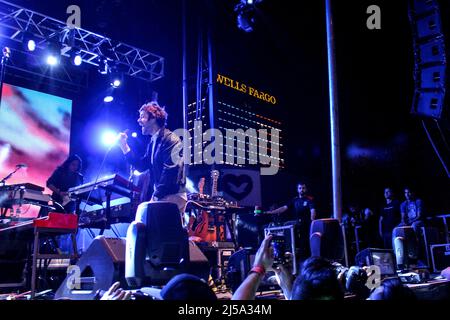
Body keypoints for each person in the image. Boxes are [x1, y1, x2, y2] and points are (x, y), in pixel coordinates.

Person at [118, 101, 186, 224]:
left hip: (171, 195)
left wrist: (155, 197)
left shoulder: (171, 139)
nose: (139, 120)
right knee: (145, 227)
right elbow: (142, 165)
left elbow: (170, 171)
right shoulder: (153, 142)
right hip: (163, 195)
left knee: (147, 227)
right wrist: (124, 146)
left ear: (153, 118)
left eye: (142, 116)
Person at [266, 182, 317, 259]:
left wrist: (312, 220)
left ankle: (308, 258)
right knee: (289, 226)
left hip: (307, 224)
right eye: (300, 188)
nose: (301, 190)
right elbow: (284, 208)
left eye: (303, 188)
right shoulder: (295, 200)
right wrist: (271, 212)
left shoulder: (309, 199)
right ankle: (291, 252)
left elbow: (312, 211)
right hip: (297, 223)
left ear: (306, 189)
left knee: (306, 243)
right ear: (297, 190)